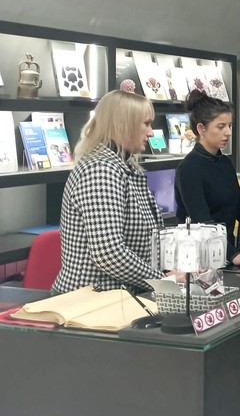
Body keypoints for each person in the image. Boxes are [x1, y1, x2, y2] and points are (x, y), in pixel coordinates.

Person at [52, 91, 166, 294]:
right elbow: (109, 254)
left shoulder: (121, 167)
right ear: (123, 124)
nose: (151, 133)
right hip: (92, 300)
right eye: (146, 124)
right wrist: (163, 282)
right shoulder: (100, 171)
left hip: (114, 296)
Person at [174, 89, 240, 266]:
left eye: (230, 126)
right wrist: (233, 255)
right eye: (221, 127)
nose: (228, 132)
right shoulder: (189, 169)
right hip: (198, 260)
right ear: (201, 129)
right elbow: (202, 223)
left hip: (224, 253)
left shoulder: (225, 163)